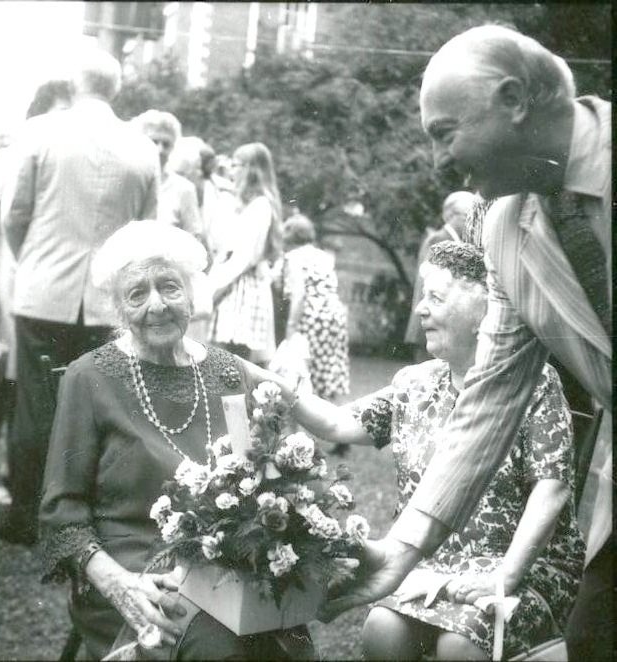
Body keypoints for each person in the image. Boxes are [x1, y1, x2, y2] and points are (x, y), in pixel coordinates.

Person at [322, 24, 611, 662]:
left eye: (443, 133)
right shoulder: (504, 226)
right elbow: (490, 397)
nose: (436, 163)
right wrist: (402, 551)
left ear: (514, 101)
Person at [262, 241, 584, 659]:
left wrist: (505, 574)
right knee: (382, 630)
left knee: (459, 644)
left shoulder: (535, 383)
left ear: (485, 309)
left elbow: (552, 489)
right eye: (421, 297)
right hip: (429, 563)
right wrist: (263, 382)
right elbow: (335, 422)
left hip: (519, 565)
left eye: (435, 297)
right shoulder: (415, 384)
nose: (419, 310)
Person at [39, 221, 314, 660]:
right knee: (224, 652)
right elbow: (61, 514)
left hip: (223, 571)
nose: (157, 305)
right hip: (136, 572)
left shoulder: (228, 372)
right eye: (137, 294)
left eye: (168, 287)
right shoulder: (89, 376)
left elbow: (253, 478)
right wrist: (117, 582)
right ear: (117, 308)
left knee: (292, 646)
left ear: (192, 294)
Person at [0, 48, 160, 546]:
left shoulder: (40, 133)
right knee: (101, 411)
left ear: (72, 84)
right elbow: (147, 231)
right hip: (110, 300)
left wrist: (34, 262)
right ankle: (90, 520)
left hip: (45, 292)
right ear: (115, 89)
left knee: (35, 407)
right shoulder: (142, 147)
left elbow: (14, 215)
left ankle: (29, 518)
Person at [0, 79, 73, 506]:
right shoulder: (8, 157)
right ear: (38, 113)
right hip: (8, 280)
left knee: (32, 385)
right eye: (60, 113)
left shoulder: (65, 160)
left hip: (45, 285)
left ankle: (20, 468)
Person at [207, 142, 283, 366]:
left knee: (233, 362)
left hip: (242, 289)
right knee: (222, 360)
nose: (231, 171)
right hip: (232, 286)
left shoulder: (260, 206)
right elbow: (220, 244)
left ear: (251, 169)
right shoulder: (237, 204)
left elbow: (243, 257)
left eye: (236, 165)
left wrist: (213, 289)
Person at [274, 213, 349, 401]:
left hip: (311, 319)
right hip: (335, 316)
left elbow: (299, 295)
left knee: (300, 374)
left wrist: (290, 330)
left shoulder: (293, 258)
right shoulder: (322, 255)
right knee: (325, 374)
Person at [404, 191, 474, 361]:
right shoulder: (437, 240)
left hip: (441, 324)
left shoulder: (458, 242)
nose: (471, 221)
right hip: (430, 325)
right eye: (467, 215)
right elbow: (430, 285)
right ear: (449, 216)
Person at [132, 110, 203, 238]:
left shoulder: (183, 189)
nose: (160, 150)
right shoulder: (130, 182)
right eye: (154, 141)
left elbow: (194, 237)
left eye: (166, 144)